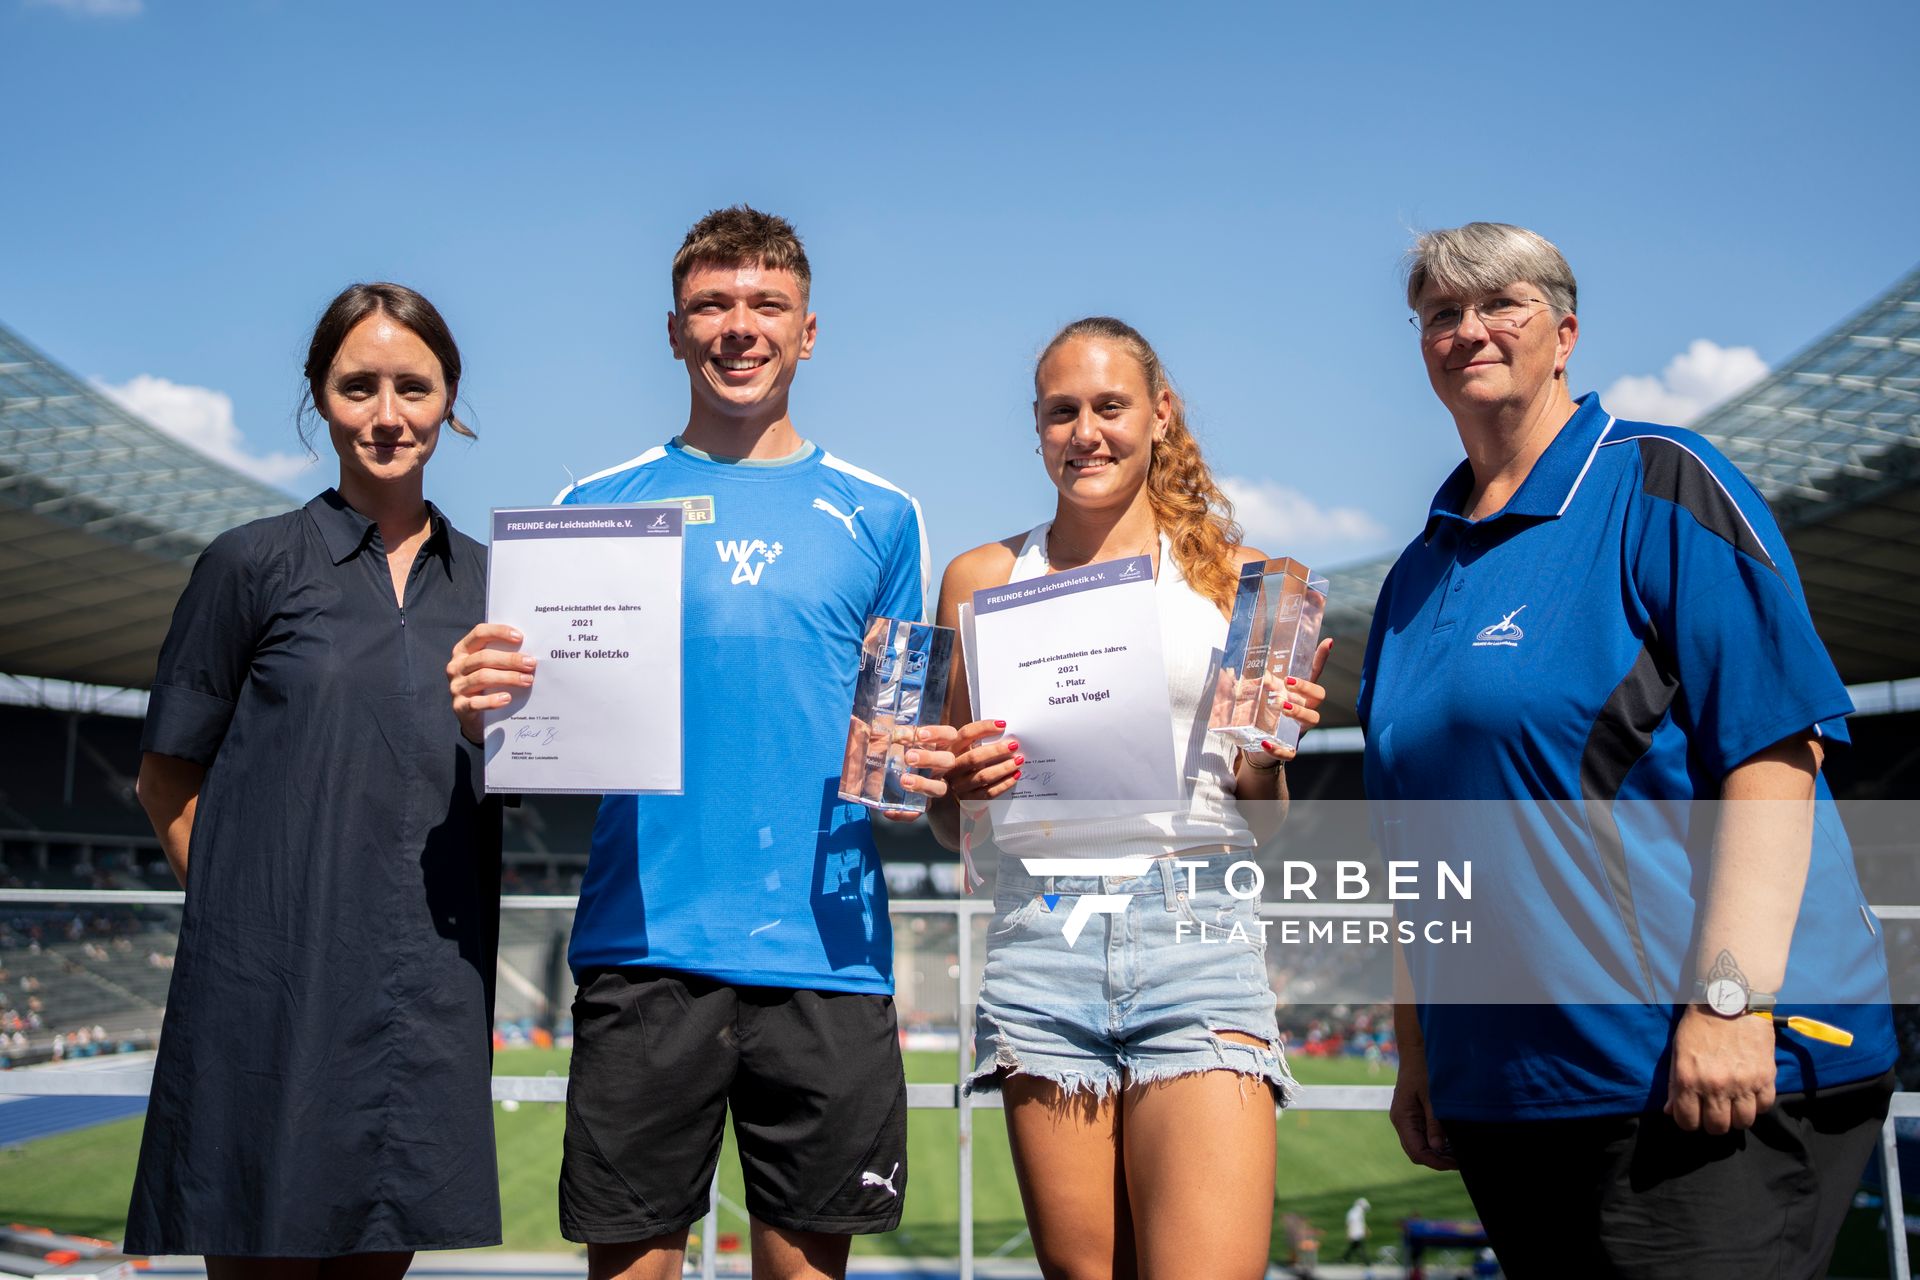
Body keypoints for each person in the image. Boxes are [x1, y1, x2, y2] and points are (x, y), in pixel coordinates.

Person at [1361, 222, 1896, 1276]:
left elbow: (1777, 757)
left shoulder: (1662, 483)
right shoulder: (1412, 576)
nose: (1468, 330)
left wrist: (1729, 1001)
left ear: (1564, 332)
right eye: (1439, 314)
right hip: (1510, 1087)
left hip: (1694, 1073)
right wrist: (1418, 1047)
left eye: (1498, 303)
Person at [447, 207, 938, 1280]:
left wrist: (918, 759)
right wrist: (495, 711)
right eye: (712, 304)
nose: (738, 327)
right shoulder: (595, 505)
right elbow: (533, 739)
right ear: (673, 330)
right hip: (645, 948)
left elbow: (893, 736)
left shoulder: (885, 515)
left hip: (826, 954)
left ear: (810, 331)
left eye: (767, 303)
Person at [928, 317, 1329, 1280]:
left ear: (1160, 414)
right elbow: (953, 821)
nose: (1086, 432)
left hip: (1196, 935)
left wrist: (1268, 760)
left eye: (1110, 407)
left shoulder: (1246, 585)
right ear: (1035, 428)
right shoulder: (980, 581)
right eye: (1062, 412)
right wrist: (961, 787)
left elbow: (1260, 817)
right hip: (1043, 937)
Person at [126, 284, 503, 1277]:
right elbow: (166, 778)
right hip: (269, 1007)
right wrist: (249, 933)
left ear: (449, 397)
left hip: (419, 1000)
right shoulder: (247, 565)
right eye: (358, 385)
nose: (387, 412)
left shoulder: (500, 589)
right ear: (319, 398)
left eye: (412, 386)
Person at [1342, 1197, 1369, 1263]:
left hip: (1358, 1233)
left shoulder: (1358, 1212)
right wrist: (1349, 1233)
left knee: (1353, 1247)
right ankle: (1367, 1262)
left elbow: (1361, 1223)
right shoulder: (1354, 1212)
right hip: (1355, 1233)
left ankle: (1344, 1259)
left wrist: (1365, 1230)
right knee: (1361, 1247)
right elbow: (1350, 1223)